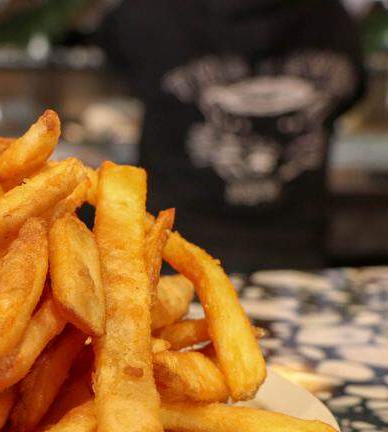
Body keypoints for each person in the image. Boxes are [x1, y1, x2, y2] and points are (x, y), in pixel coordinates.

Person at [100, 0, 366, 272]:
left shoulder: (147, 13)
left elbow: (117, 62)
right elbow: (351, 95)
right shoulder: (332, 17)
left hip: (176, 251)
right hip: (290, 252)